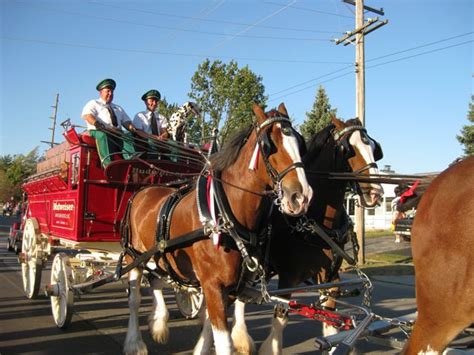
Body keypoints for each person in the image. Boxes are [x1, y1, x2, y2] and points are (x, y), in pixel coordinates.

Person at [82, 78, 137, 167]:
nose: (110, 94)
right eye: (107, 91)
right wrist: (97, 124)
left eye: (112, 92)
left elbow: (126, 122)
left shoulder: (118, 108)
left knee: (127, 134)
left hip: (116, 132)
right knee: (103, 135)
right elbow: (87, 116)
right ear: (101, 92)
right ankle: (108, 164)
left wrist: (132, 128)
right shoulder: (93, 103)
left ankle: (132, 160)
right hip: (98, 130)